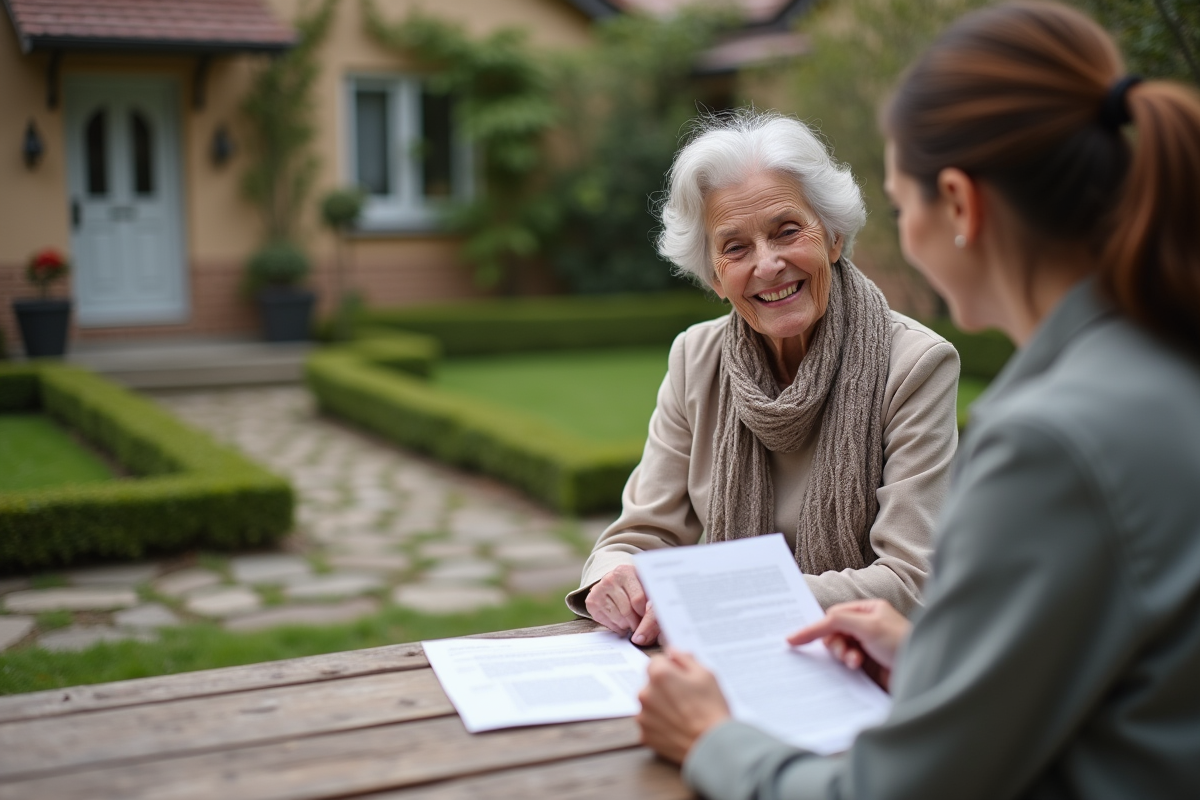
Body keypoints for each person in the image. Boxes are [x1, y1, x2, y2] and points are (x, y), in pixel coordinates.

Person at [636, 2, 1200, 797]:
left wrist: (712, 740)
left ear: (962, 207)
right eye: (736, 247)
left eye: (902, 208)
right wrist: (935, 660)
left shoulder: (1048, 439)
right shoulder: (1162, 364)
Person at [566, 114, 961, 645]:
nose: (768, 264)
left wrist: (727, 598)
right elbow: (639, 535)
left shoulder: (915, 365)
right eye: (735, 247)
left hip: (866, 665)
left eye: (787, 231)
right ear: (713, 276)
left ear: (834, 237)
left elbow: (910, 581)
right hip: (730, 662)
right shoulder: (695, 359)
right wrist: (616, 579)